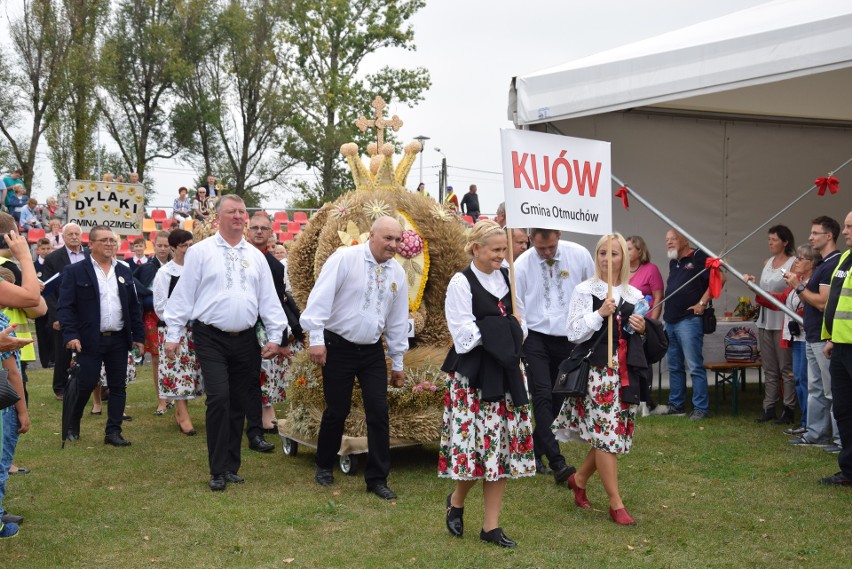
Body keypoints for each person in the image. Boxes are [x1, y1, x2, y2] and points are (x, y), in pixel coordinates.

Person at [164, 195, 288, 491]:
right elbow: (184, 294)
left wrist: (275, 336)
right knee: (219, 398)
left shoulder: (256, 256)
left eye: (241, 212)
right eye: (231, 211)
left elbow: (269, 300)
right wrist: (173, 333)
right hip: (210, 336)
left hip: (245, 338)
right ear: (217, 217)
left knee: (240, 402)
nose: (238, 216)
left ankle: (232, 466)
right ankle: (217, 469)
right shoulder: (201, 252)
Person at [300, 216, 409, 500]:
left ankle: (377, 478)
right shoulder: (344, 259)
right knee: (337, 409)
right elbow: (320, 298)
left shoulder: (397, 272)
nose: (393, 245)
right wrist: (316, 340)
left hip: (372, 349)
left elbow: (397, 321)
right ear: (371, 236)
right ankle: (324, 464)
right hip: (338, 345)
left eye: (397, 240)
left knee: (378, 411)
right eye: (388, 238)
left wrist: (397, 362)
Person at [439, 220, 533, 548]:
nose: (502, 256)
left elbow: (524, 327)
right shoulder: (460, 283)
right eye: (495, 250)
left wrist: (505, 327)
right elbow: (464, 338)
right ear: (475, 248)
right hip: (474, 377)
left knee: (501, 448)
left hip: (507, 372)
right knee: (475, 452)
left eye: (504, 250)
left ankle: (490, 526)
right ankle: (457, 499)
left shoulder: (510, 278)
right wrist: (505, 326)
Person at [552, 233, 650, 526]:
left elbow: (637, 341)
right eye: (602, 253)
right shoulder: (586, 290)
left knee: (607, 434)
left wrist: (641, 328)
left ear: (626, 258)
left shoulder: (634, 295)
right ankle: (615, 504)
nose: (607, 259)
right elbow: (573, 333)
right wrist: (599, 313)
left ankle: (579, 479)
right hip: (596, 375)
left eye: (614, 254)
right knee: (607, 437)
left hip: (624, 374)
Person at [514, 228, 594, 478]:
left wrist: (587, 328)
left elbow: (593, 290)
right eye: (540, 248)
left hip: (569, 336)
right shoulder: (522, 264)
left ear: (558, 235)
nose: (546, 253)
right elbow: (519, 305)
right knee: (541, 394)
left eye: (550, 247)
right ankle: (557, 460)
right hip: (535, 336)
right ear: (531, 241)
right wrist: (522, 338)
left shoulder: (579, 254)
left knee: (560, 396)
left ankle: (535, 451)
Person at [58, 225, 144, 446]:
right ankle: (72, 422)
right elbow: (66, 307)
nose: (109, 244)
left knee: (118, 386)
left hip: (118, 338)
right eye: (104, 240)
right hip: (88, 339)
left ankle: (113, 432)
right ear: (91, 244)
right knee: (85, 383)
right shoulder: (75, 271)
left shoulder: (124, 270)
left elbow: (133, 307)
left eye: (112, 240)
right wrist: (71, 334)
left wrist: (138, 337)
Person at [789, 216, 843, 450]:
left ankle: (840, 439)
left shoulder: (833, 264)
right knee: (816, 389)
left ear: (828, 236)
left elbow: (822, 303)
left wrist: (798, 286)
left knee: (832, 390)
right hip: (812, 334)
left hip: (824, 337)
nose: (810, 237)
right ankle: (816, 434)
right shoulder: (823, 263)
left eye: (815, 233)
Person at [663, 229, 724, 420]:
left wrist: (702, 303)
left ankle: (700, 408)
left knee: (694, 366)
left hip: (689, 320)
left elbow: (720, 278)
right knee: (674, 366)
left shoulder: (699, 256)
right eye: (667, 240)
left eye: (673, 239)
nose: (669, 242)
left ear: (685, 239)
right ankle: (676, 405)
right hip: (670, 320)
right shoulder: (674, 261)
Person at [762, 244, 820, 434]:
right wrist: (755, 289)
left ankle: (809, 423)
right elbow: (780, 302)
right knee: (797, 380)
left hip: (806, 337)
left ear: (811, 263)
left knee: (805, 381)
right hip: (796, 337)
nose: (796, 261)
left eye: (801, 258)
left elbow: (812, 305)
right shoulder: (798, 282)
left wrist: (798, 286)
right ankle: (805, 421)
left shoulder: (810, 283)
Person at [744, 225, 796, 423]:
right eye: (769, 239)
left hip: (782, 320)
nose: (770, 243)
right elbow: (764, 291)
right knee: (770, 367)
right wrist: (753, 285)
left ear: (785, 242)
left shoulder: (793, 263)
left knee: (786, 367)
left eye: (774, 239)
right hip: (765, 320)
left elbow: (787, 293)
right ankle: (769, 407)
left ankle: (789, 408)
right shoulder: (768, 262)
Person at [152, 229, 201, 436]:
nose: (189, 249)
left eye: (191, 244)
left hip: (197, 328)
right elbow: (161, 307)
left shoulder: (198, 269)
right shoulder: (165, 273)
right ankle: (181, 413)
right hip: (175, 329)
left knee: (193, 371)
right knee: (178, 370)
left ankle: (184, 410)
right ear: (173, 249)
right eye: (184, 245)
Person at [819, 209, 852, 485]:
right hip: (840, 346)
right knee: (843, 409)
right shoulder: (844, 258)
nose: (846, 231)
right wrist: (830, 338)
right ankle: (849, 470)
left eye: (851, 226)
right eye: (845, 226)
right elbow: (837, 301)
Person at [42, 222, 86, 399]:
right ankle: (60, 387)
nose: (74, 237)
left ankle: (88, 384)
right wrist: (56, 317)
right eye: (70, 234)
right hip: (64, 312)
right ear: (64, 237)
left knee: (89, 349)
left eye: (77, 234)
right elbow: (49, 292)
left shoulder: (90, 255)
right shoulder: (53, 258)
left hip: (87, 311)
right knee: (63, 352)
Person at [135, 231, 172, 415]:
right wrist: (152, 295)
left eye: (166, 245)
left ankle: (173, 394)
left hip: (173, 318)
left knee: (173, 357)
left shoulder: (178, 265)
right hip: (152, 318)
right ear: (154, 245)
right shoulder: (147, 267)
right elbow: (134, 283)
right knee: (157, 359)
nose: (163, 249)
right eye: (160, 245)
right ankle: (161, 401)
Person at [626, 235, 664, 320]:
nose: (625, 252)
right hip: (624, 321)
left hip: (644, 321)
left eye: (629, 249)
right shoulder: (622, 271)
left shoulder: (651, 269)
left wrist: (652, 324)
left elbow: (658, 298)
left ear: (639, 251)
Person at [34, 238, 54, 368]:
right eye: (43, 249)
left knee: (53, 332)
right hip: (39, 304)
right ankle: (45, 362)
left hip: (53, 304)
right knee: (42, 333)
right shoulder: (33, 266)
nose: (46, 251)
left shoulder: (54, 263)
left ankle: (53, 360)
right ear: (38, 250)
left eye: (48, 249)